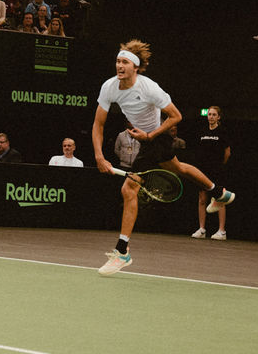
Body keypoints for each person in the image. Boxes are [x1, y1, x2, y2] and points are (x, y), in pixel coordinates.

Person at [92, 40, 235, 275]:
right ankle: (220, 193)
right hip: (147, 140)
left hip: (155, 137)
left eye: (125, 62)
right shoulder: (109, 87)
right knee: (179, 167)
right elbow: (98, 123)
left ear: (135, 67)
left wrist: (150, 136)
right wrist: (99, 155)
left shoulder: (150, 88)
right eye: (118, 61)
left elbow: (176, 116)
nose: (119, 66)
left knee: (129, 188)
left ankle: (122, 251)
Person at [190, 105, 231, 240]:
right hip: (203, 170)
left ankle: (222, 231)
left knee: (220, 199)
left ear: (219, 117)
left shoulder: (223, 132)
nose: (211, 117)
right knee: (202, 199)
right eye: (209, 114)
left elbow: (227, 153)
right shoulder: (202, 131)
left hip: (217, 170)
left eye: (214, 115)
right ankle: (202, 229)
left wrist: (219, 166)